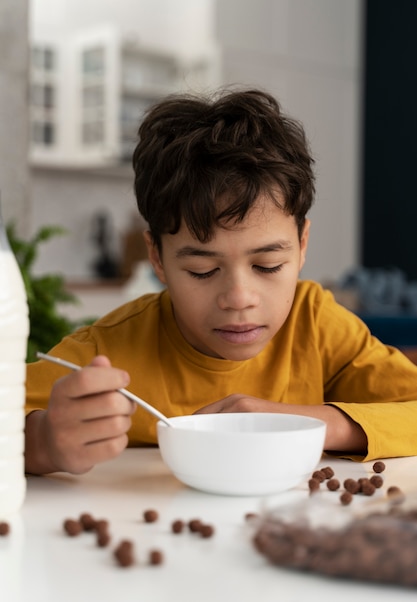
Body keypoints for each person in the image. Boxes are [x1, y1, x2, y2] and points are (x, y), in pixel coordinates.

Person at [24, 88, 417, 476]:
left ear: (301, 246)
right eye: (202, 271)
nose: (238, 299)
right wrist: (43, 443)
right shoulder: (105, 351)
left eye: (267, 265)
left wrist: (310, 422)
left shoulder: (316, 325)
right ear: (157, 258)